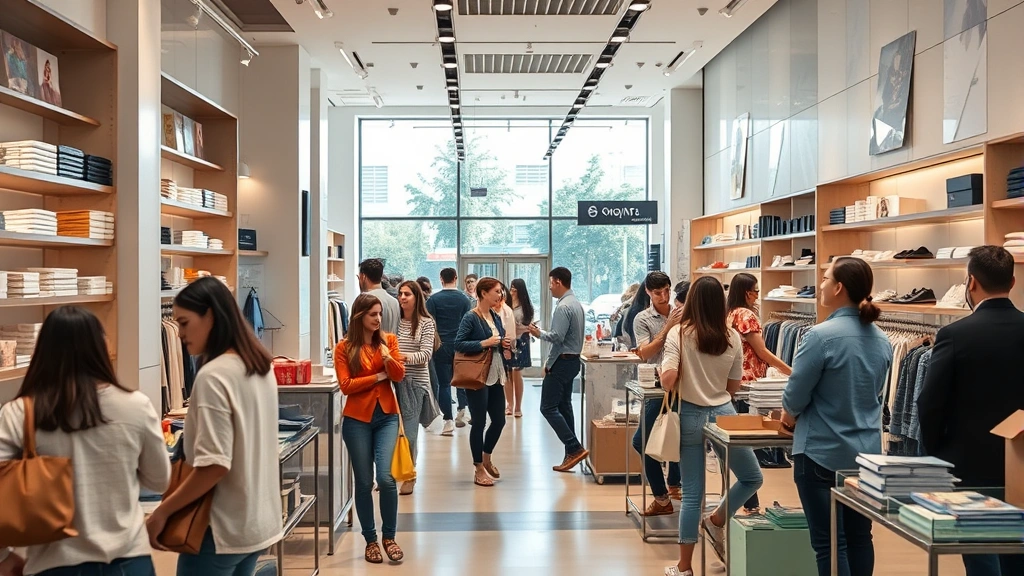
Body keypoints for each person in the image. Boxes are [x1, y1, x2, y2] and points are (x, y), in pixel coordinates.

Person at [0, 307, 169, 576]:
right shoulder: (136, 406)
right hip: (129, 560)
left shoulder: (20, 412)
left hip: (54, 564)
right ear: (101, 347)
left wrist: (9, 556)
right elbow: (159, 480)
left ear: (43, 351)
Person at [148, 277, 283, 574]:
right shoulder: (259, 367)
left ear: (209, 315)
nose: (180, 334)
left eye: (184, 323)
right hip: (258, 523)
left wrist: (163, 512)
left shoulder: (214, 376)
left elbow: (214, 466)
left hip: (220, 528)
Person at [781, 257, 892, 576]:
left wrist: (788, 420)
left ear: (839, 287)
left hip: (820, 453)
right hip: (867, 455)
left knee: (830, 544)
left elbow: (795, 397)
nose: (821, 284)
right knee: (860, 538)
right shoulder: (882, 340)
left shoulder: (819, 336)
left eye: (826, 278)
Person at [918, 246, 1024, 576]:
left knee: (978, 551)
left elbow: (930, 402)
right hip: (1021, 459)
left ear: (971, 282)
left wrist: (936, 452)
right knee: (1018, 549)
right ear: (1013, 281)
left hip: (968, 463)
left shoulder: (954, 334)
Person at [661, 277, 763, 576]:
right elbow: (733, 387)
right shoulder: (732, 336)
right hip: (724, 413)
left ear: (691, 300)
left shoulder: (679, 333)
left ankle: (684, 567)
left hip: (690, 413)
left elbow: (668, 381)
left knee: (693, 494)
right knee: (752, 477)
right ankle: (717, 519)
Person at [334, 293, 407, 564]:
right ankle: (370, 540)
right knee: (364, 482)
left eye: (379, 314)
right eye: (372, 314)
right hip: (356, 421)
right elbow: (346, 385)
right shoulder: (344, 348)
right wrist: (378, 376)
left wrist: (388, 359)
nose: (378, 318)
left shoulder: (389, 341)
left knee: (386, 478)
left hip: (387, 416)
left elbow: (398, 375)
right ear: (359, 317)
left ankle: (389, 536)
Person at [727, 272, 793, 506]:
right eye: (755, 290)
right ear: (747, 292)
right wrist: (791, 372)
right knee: (749, 446)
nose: (757, 294)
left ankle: (747, 502)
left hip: (735, 382)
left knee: (738, 446)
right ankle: (750, 503)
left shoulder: (729, 314)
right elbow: (762, 352)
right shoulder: (746, 315)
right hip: (750, 384)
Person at [630, 271, 684, 516]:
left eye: (666, 291)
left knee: (678, 436)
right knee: (642, 441)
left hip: (683, 386)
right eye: (657, 293)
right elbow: (645, 353)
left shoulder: (682, 310)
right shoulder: (642, 319)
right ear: (648, 293)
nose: (663, 297)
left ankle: (671, 488)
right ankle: (662, 495)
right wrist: (669, 327)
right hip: (656, 388)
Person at [528, 267, 589, 473]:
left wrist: (538, 333)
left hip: (562, 362)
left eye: (550, 283)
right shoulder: (576, 304)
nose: (549, 288)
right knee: (564, 406)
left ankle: (574, 446)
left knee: (547, 407)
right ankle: (571, 453)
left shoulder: (563, 307)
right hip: (572, 361)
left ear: (558, 282)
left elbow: (557, 337)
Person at [454, 277, 510, 487]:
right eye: (497, 291)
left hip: (495, 373)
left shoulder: (494, 316)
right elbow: (458, 343)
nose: (500, 295)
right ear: (484, 293)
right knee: (479, 422)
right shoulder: (471, 317)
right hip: (478, 375)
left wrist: (503, 343)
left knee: (499, 420)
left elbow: (498, 339)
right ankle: (478, 466)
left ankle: (486, 455)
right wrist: (484, 343)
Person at [395, 281, 440, 496]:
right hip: (393, 381)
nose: (402, 297)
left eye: (407, 294)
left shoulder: (426, 322)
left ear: (416, 298)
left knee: (410, 434)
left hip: (415, 385)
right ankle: (391, 473)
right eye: (400, 294)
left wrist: (399, 358)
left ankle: (409, 476)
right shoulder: (394, 321)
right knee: (392, 432)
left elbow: (425, 355)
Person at [427, 267, 473, 436]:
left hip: (441, 345)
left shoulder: (433, 300)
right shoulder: (464, 300)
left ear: (441, 279)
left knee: (444, 384)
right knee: (461, 379)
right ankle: (462, 409)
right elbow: (469, 323)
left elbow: (430, 324)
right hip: (461, 345)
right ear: (456, 277)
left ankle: (448, 420)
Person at [505, 278, 535, 418]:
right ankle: (509, 404)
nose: (512, 292)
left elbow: (529, 324)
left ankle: (518, 406)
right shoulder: (506, 304)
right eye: (511, 289)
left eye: (515, 290)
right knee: (508, 374)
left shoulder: (527, 307)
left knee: (517, 373)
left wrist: (524, 328)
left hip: (521, 340)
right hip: (507, 339)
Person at [493, 282, 517, 416]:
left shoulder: (506, 310)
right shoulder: (487, 309)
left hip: (504, 348)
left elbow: (511, 334)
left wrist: (507, 347)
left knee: (506, 377)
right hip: (490, 348)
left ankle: (510, 404)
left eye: (499, 292)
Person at [359, 258, 400, 334]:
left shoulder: (364, 300)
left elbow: (356, 332)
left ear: (363, 277)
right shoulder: (394, 302)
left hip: (370, 345)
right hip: (391, 345)